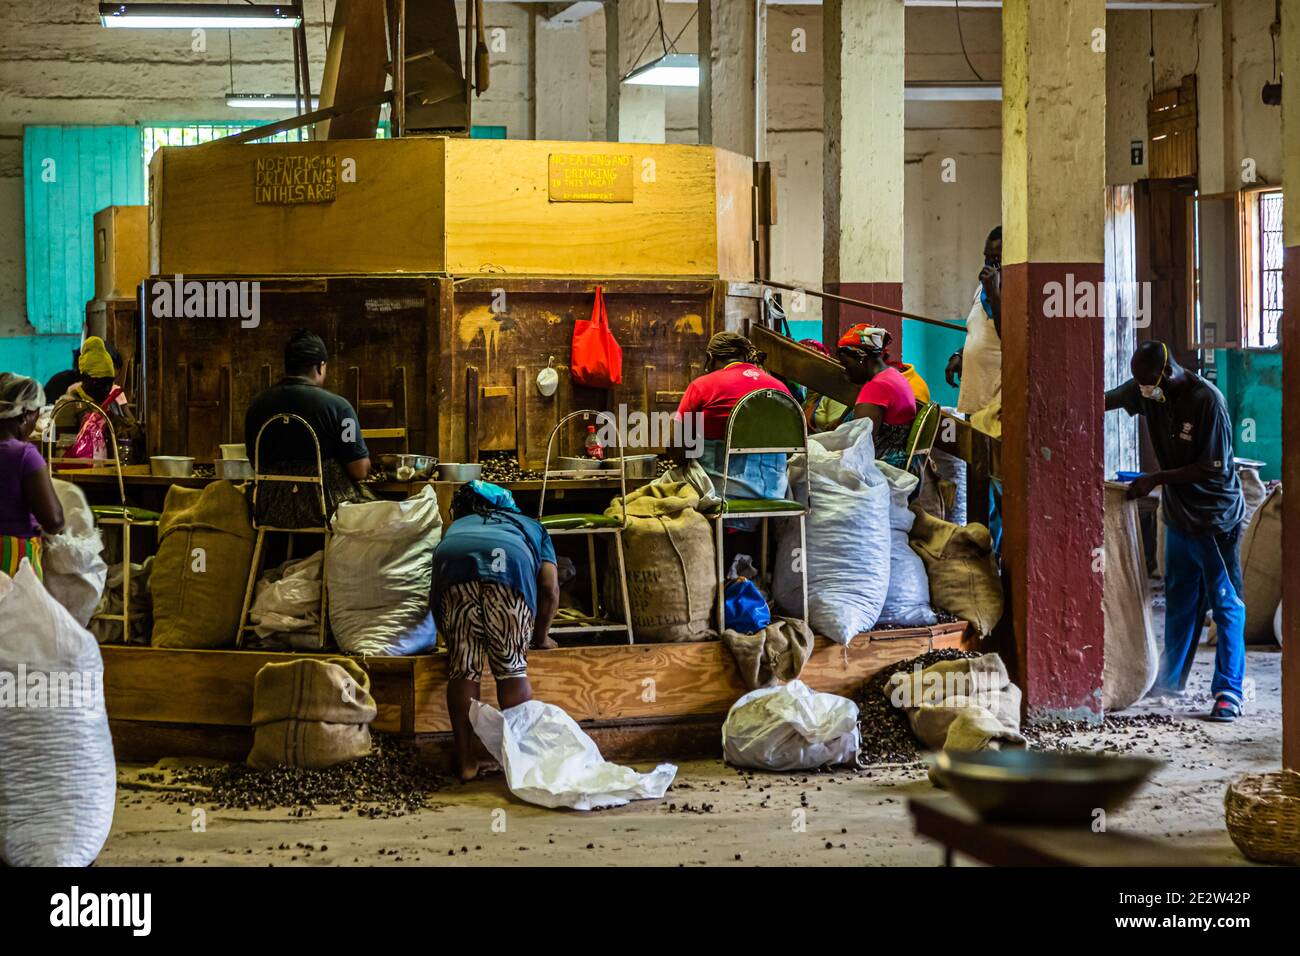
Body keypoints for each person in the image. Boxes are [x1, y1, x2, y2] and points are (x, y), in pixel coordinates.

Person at [1105, 340, 1247, 722]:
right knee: (1179, 599)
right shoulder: (1147, 391)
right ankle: (1169, 681)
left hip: (1214, 519)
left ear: (1166, 374)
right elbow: (1105, 399)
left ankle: (1229, 693)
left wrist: (1155, 479)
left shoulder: (1208, 402)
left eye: (1147, 383)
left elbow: (1211, 467)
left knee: (1224, 604)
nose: (1142, 390)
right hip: (1180, 516)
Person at [431, 481, 559, 780]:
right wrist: (540, 638)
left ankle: (466, 763)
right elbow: (550, 588)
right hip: (508, 578)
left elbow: (434, 591)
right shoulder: (531, 526)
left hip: (455, 572)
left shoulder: (457, 527)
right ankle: (521, 764)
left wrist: (450, 639)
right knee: (512, 670)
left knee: (463, 670)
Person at [244, 330, 373, 525]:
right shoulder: (339, 408)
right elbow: (360, 470)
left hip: (269, 509)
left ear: (288, 367)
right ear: (320, 367)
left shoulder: (256, 407)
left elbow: (255, 464)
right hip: (323, 509)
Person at [675, 331, 792, 504]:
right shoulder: (779, 387)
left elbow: (678, 445)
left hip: (720, 489)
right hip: (774, 490)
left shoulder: (702, 386)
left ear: (710, 358)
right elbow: (789, 448)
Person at [0, 373, 65, 579]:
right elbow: (53, 520)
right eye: (35, 416)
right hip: (14, 561)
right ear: (24, 415)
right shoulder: (24, 455)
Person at [837, 324, 921, 469]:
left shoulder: (876, 388)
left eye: (847, 364)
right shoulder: (893, 375)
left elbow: (860, 444)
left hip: (883, 466)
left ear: (861, 358)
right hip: (903, 462)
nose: (846, 371)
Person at [945, 225, 1002, 415]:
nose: (990, 264)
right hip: (976, 398)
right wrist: (961, 354)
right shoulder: (981, 290)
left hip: (997, 403)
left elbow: (1009, 337)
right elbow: (982, 333)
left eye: (996, 259)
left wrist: (995, 293)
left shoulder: (1015, 292)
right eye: (987, 257)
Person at [55, 336, 136, 461]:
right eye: (100, 383)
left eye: (110, 383)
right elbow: (65, 451)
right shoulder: (69, 405)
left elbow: (127, 434)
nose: (107, 388)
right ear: (85, 378)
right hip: (75, 471)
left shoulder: (109, 404)